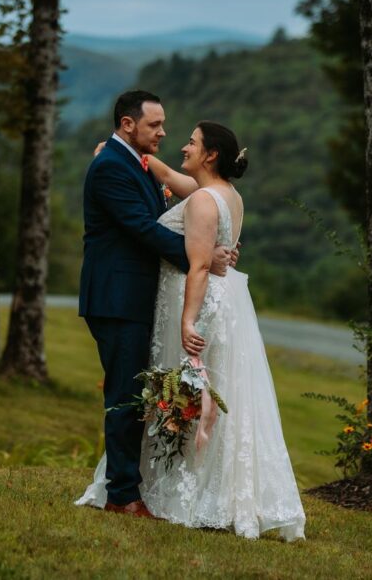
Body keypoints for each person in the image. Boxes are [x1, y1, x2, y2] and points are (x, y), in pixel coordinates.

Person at [78, 120, 306, 541]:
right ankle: (214, 489)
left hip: (195, 302)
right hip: (224, 303)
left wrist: (186, 320)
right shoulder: (227, 195)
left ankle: (192, 493)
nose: (183, 145)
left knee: (192, 391)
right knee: (212, 394)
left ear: (210, 154)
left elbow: (199, 264)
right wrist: (126, 157)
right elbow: (168, 177)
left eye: (192, 142)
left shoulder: (203, 201)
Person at [77, 91, 235, 519]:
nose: (164, 132)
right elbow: (143, 229)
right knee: (125, 395)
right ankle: (122, 496)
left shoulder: (137, 162)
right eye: (155, 125)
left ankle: (130, 487)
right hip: (116, 297)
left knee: (133, 393)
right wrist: (203, 257)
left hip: (134, 297)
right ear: (128, 125)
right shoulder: (111, 166)